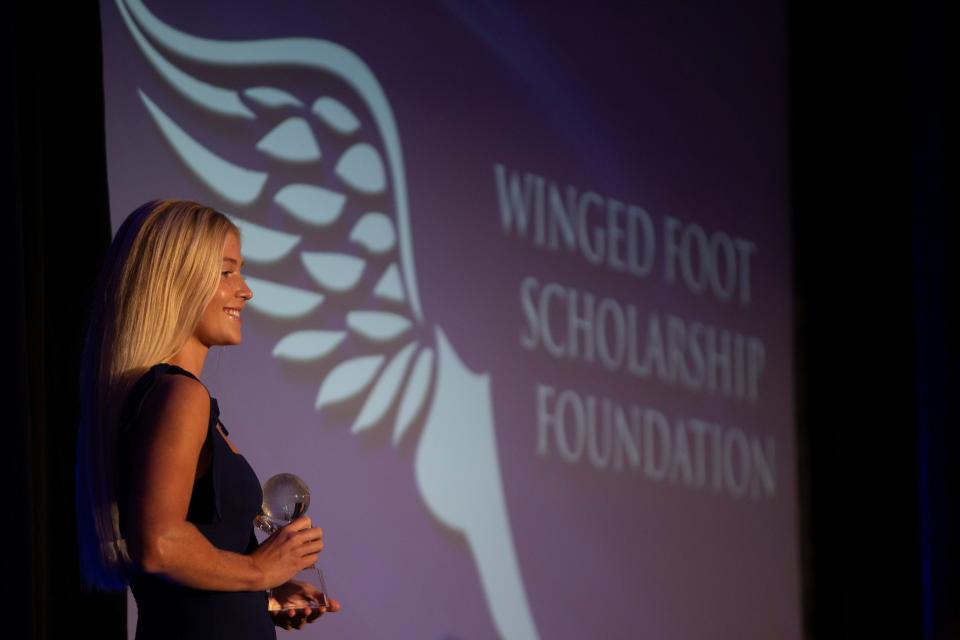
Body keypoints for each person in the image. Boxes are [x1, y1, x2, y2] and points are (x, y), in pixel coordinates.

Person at [75, 200, 339, 638]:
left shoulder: (161, 395)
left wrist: (264, 596)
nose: (246, 290)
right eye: (226, 272)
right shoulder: (180, 394)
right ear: (177, 281)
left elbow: (186, 559)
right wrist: (258, 571)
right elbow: (158, 546)